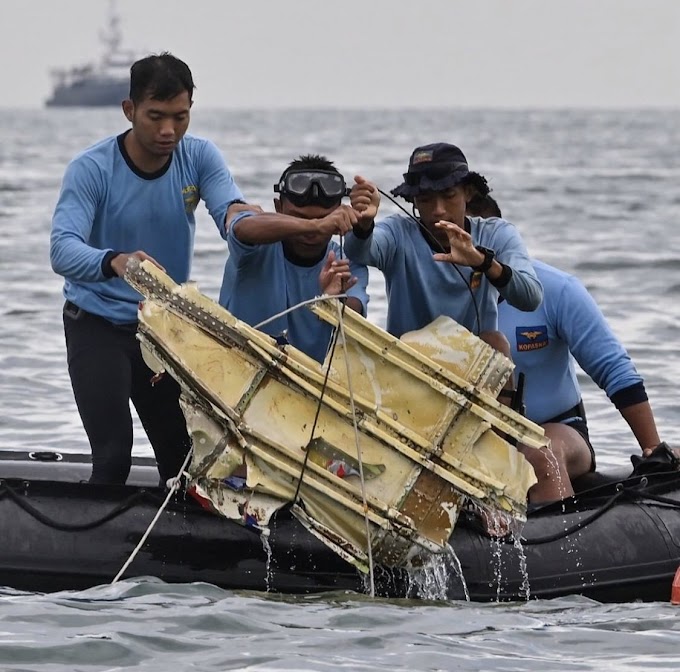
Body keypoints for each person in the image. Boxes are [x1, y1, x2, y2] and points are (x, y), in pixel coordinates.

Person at [50, 52, 251, 485]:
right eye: (155, 117)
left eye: (180, 117)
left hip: (161, 330)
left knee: (185, 463)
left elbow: (230, 214)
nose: (168, 131)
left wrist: (280, 224)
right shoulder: (91, 169)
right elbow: (62, 251)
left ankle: (175, 550)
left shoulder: (198, 157)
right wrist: (115, 261)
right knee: (113, 456)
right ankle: (99, 549)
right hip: (96, 325)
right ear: (130, 110)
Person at [467, 195, 662, 503]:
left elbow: (614, 370)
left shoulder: (557, 289)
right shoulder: (433, 298)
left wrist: (653, 448)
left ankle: (563, 548)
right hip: (467, 437)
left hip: (558, 430)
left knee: (540, 455)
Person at [345, 142, 542, 385]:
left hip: (474, 374)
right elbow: (360, 251)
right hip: (408, 369)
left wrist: (482, 262)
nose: (438, 210)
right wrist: (364, 224)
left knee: (495, 342)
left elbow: (531, 297)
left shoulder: (497, 234)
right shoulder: (398, 233)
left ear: (468, 194)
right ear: (413, 201)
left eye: (449, 196)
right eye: (426, 199)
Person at [218, 155, 370, 362]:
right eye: (298, 217)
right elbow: (240, 227)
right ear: (278, 207)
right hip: (235, 368)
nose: (312, 233)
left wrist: (333, 304)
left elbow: (357, 313)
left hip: (307, 385)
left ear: (339, 215)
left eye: (325, 217)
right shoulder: (254, 247)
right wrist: (317, 225)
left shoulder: (345, 261)